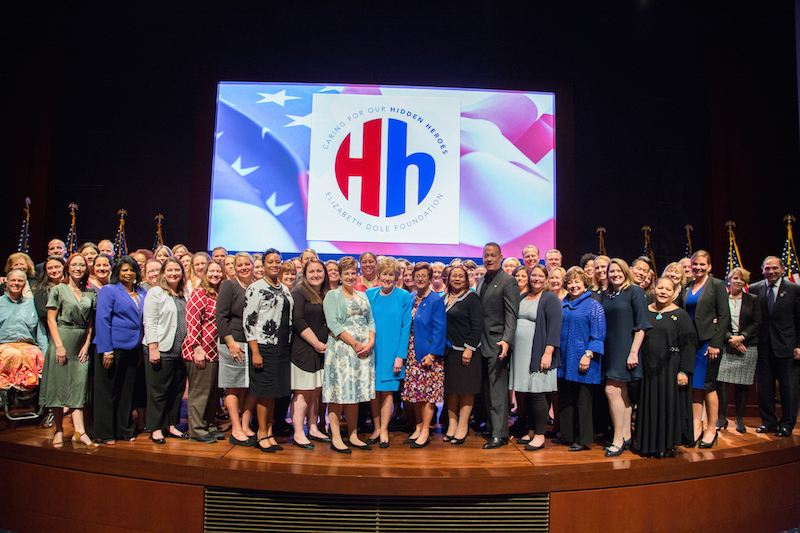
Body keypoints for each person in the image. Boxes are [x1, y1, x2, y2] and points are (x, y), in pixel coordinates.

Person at [39, 254, 96, 448]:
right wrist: (59, 346)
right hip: (61, 339)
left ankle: (80, 432)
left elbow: (91, 323)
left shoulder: (90, 293)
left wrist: (87, 345)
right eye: (74, 265)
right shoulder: (59, 289)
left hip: (81, 343)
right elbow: (50, 320)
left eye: (82, 265)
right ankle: (58, 429)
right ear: (68, 268)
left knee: (79, 386)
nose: (78, 268)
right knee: (59, 385)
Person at [636, 277, 696, 457]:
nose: (663, 292)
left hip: (671, 368)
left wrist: (684, 371)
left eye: (667, 289)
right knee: (649, 405)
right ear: (653, 289)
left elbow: (689, 345)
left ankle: (667, 445)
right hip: (648, 369)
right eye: (660, 288)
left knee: (668, 406)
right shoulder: (644, 312)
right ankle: (648, 445)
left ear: (675, 293)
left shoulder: (681, 315)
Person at [322, 256, 376, 454]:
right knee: (338, 394)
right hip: (342, 350)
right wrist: (355, 343)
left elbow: (371, 321)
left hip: (362, 352)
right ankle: (337, 438)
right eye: (347, 273)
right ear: (340, 276)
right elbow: (334, 324)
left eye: (354, 273)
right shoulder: (332, 296)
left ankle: (353, 435)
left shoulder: (362, 295)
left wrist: (370, 342)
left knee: (355, 395)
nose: (351, 276)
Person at [93, 256, 148, 445]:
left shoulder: (142, 292)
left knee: (127, 392)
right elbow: (102, 320)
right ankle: (106, 432)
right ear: (118, 272)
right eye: (125, 270)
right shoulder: (109, 290)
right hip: (112, 348)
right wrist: (106, 350)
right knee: (108, 391)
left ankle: (124, 429)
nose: (129, 273)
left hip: (133, 348)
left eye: (132, 270)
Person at [600, 259, 651, 457]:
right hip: (609, 348)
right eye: (611, 271)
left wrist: (633, 351)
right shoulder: (606, 294)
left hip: (626, 348)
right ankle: (627, 436)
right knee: (622, 394)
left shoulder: (635, 292)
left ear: (625, 272)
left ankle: (618, 439)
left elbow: (642, 325)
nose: (615, 274)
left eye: (618, 270)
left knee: (611, 390)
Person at [244, 248, 294, 453]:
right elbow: (249, 322)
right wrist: (255, 351)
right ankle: (260, 433)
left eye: (277, 261)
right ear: (263, 265)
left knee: (274, 393)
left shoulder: (284, 288)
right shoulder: (255, 288)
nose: (275, 265)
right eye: (270, 262)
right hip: (263, 346)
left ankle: (270, 432)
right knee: (264, 393)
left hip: (282, 346)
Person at [679, 250, 730, 448]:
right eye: (695, 264)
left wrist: (716, 343)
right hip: (691, 343)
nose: (698, 268)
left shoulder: (716, 285)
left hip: (709, 344)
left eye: (702, 264)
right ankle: (696, 427)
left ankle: (711, 429)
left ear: (709, 266)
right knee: (694, 387)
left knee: (708, 386)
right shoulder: (687, 286)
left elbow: (724, 316)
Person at [510, 264, 561, 451]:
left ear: (546, 279)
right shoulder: (523, 297)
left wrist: (547, 353)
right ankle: (531, 430)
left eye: (541, 276)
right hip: (522, 355)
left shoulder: (550, 298)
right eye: (534, 275)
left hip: (539, 353)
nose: (537, 279)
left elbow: (555, 328)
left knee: (538, 394)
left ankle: (540, 435)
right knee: (527, 394)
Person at [556, 267, 605, 451]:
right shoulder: (563, 303)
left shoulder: (593, 305)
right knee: (566, 397)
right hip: (564, 359)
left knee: (583, 401)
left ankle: (583, 440)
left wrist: (588, 355)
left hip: (584, 359)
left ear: (585, 285)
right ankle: (567, 436)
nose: (574, 285)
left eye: (577, 282)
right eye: (570, 282)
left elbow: (598, 335)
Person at [750, 256, 800, 437]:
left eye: (774, 268)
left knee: (789, 388)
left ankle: (787, 423)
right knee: (764, 388)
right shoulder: (755, 289)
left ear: (783, 269)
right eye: (767, 268)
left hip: (787, 346)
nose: (771, 272)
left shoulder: (794, 289)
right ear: (762, 269)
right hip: (762, 347)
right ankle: (768, 422)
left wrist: (799, 346)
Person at [475, 243, 518, 449]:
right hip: (480, 343)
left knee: (497, 390)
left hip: (497, 343)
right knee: (486, 389)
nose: (489, 259)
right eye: (486, 255)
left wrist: (507, 340)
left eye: (493, 255)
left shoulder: (508, 281)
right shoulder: (482, 279)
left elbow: (511, 313)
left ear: (501, 257)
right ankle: (492, 427)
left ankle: (500, 434)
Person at [365, 259, 411, 447]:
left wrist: (400, 356)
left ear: (396, 277)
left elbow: (405, 328)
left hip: (393, 353)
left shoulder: (404, 296)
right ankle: (376, 428)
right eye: (384, 274)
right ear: (378, 275)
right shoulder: (369, 294)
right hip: (372, 351)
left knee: (387, 392)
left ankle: (384, 430)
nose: (387, 278)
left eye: (391, 274)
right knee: (374, 392)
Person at [143, 257, 189, 444]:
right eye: (169, 270)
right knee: (158, 391)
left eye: (177, 270)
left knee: (176, 391)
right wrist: (153, 347)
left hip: (180, 352)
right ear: (163, 273)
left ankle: (171, 425)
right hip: (160, 349)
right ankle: (155, 428)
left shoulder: (184, 293)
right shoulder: (156, 293)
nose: (173, 273)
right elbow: (150, 320)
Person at [400, 262, 446, 448]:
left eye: (423, 276)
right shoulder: (411, 298)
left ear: (429, 278)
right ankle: (418, 428)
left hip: (428, 355)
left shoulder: (435, 300)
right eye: (416, 275)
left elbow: (440, 329)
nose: (419, 279)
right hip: (412, 353)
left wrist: (432, 355)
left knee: (427, 395)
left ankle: (426, 430)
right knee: (416, 394)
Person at [181, 259, 225, 443]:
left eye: (218, 271)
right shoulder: (200, 293)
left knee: (213, 393)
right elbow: (192, 322)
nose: (215, 274)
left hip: (216, 352)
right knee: (200, 393)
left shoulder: (219, 293)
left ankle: (208, 425)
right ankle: (197, 430)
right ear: (205, 273)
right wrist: (197, 348)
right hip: (200, 351)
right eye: (212, 271)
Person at [216, 252, 257, 446]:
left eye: (246, 264)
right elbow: (221, 316)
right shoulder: (229, 285)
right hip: (233, 343)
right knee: (233, 386)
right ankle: (236, 427)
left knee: (251, 386)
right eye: (239, 265)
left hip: (253, 344)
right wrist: (231, 343)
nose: (243, 268)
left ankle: (245, 424)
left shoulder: (257, 286)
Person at [289, 259, 331, 448]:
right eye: (311, 271)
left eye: (319, 271)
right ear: (305, 274)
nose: (316, 275)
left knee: (315, 392)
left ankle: (313, 428)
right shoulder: (299, 291)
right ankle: (299, 432)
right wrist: (316, 343)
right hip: (304, 349)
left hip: (321, 351)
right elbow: (297, 320)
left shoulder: (325, 293)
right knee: (302, 393)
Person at [441, 265, 483, 444]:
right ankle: (452, 424)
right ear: (448, 279)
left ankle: (463, 425)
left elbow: (477, 325)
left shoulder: (471, 297)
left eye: (461, 276)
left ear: (467, 279)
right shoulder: (443, 298)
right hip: (448, 351)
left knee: (466, 390)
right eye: (454, 276)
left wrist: (469, 348)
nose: (457, 279)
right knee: (450, 390)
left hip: (466, 352)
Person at [716, 267, 761, 433]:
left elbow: (757, 322)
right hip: (726, 343)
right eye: (735, 278)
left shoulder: (752, 299)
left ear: (745, 282)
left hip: (747, 346)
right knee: (722, 383)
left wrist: (741, 337)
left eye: (741, 279)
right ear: (730, 279)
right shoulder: (722, 298)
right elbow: (717, 320)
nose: (738, 281)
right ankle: (722, 417)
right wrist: (730, 338)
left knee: (742, 384)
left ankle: (739, 419)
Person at [0, 270, 47, 391]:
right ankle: (8, 392)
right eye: (13, 280)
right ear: (7, 282)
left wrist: (44, 353)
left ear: (25, 283)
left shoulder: (32, 304)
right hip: (4, 345)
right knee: (12, 354)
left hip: (27, 344)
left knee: (37, 356)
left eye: (19, 281)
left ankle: (27, 395)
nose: (16, 283)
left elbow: (40, 332)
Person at [33, 256, 64, 335]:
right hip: (48, 331)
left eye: (57, 267)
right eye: (50, 268)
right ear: (45, 271)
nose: (54, 270)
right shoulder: (41, 289)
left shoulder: (73, 287)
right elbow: (41, 312)